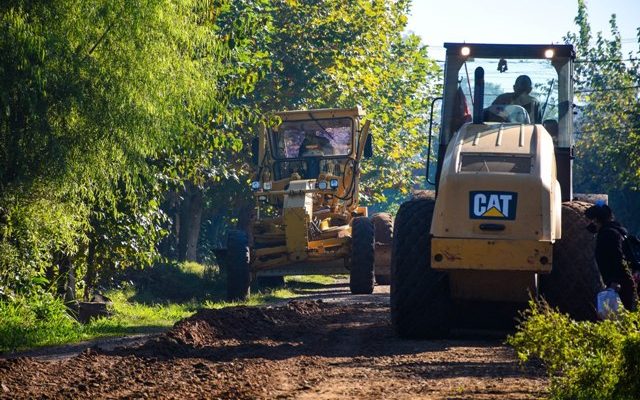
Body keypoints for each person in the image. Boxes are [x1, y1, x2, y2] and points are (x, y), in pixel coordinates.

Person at [585, 203, 638, 311]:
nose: (587, 223)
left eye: (588, 219)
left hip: (620, 285)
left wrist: (614, 281)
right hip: (628, 281)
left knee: (620, 315)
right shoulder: (619, 231)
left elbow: (617, 259)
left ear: (595, 220)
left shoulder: (607, 235)